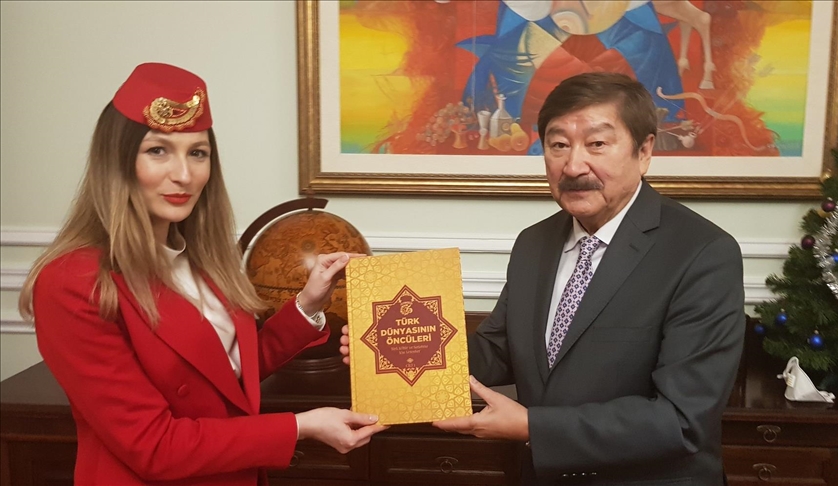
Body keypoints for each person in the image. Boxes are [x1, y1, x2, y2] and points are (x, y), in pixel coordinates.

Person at [18, 62, 386, 486]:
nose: (184, 175)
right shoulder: (72, 283)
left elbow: (225, 377)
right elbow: (153, 446)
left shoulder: (202, 259)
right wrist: (300, 426)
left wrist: (309, 303)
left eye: (197, 153)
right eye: (157, 151)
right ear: (116, 162)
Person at [428, 72, 745, 484]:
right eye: (558, 145)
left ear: (644, 151)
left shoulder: (702, 253)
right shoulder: (534, 243)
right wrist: (397, 346)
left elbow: (682, 419)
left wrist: (533, 428)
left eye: (597, 144)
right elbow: (498, 351)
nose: (574, 166)